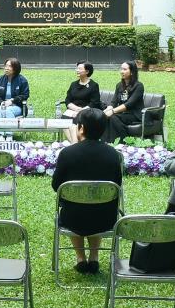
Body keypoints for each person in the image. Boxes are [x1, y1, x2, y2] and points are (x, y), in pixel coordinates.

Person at [52, 108, 123, 275]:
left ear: (81, 128)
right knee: (96, 204)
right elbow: (116, 186)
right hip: (105, 218)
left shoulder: (67, 153)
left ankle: (80, 258)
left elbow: (56, 186)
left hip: (73, 218)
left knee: (76, 205)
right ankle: (94, 257)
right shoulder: (113, 155)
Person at [101, 61, 144, 143]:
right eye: (121, 69)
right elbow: (113, 102)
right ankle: (105, 142)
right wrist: (106, 110)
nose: (121, 71)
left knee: (113, 117)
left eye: (125, 69)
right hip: (122, 113)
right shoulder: (119, 85)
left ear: (132, 72)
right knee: (105, 116)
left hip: (134, 114)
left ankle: (120, 142)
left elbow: (129, 104)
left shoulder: (138, 86)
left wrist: (112, 111)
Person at [61, 62, 101, 143]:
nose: (77, 70)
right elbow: (67, 100)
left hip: (87, 111)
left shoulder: (93, 85)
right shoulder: (73, 84)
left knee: (77, 119)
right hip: (73, 110)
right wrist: (75, 108)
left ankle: (76, 144)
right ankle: (74, 143)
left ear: (87, 71)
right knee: (64, 118)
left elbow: (94, 102)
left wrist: (81, 111)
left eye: (80, 69)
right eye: (77, 68)